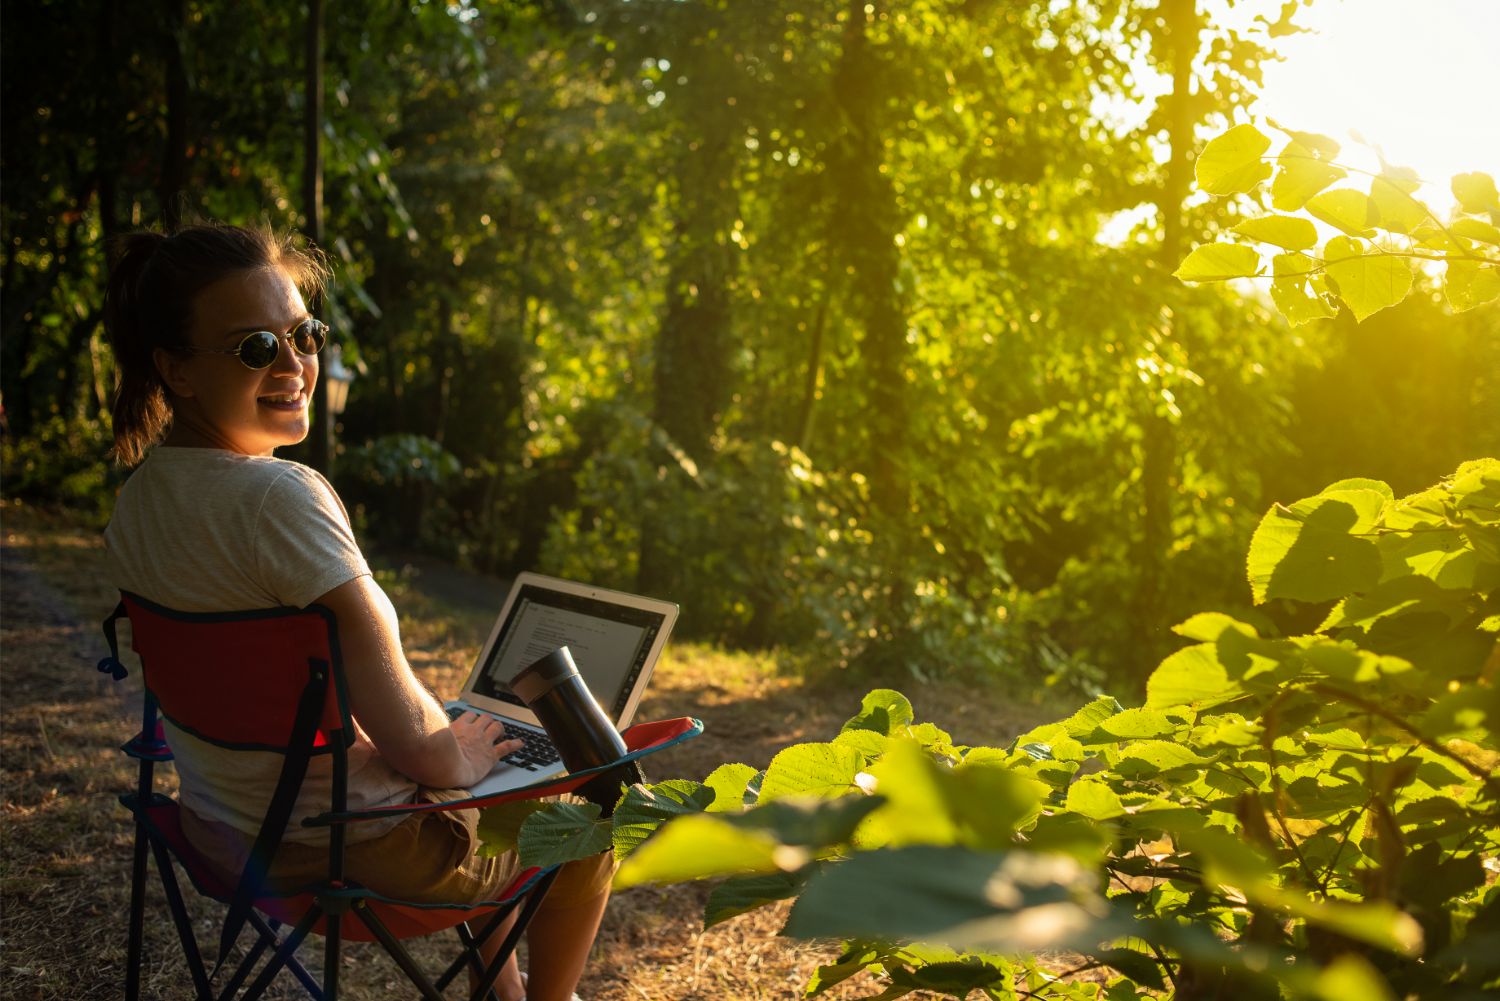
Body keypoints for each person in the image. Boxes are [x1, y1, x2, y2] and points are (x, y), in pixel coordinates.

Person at [101, 223, 610, 1001]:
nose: (295, 364)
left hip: (223, 834)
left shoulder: (137, 501)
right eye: (254, 348)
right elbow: (429, 755)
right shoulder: (281, 496)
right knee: (582, 820)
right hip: (350, 850)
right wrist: (464, 758)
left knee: (474, 788)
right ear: (177, 369)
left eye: (303, 334)